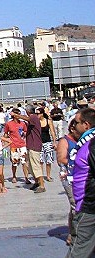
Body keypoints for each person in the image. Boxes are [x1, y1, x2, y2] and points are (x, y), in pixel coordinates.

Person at [67, 108, 95, 258]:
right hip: (87, 204)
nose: (73, 126)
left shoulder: (91, 144)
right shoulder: (87, 143)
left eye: (76, 123)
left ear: (86, 125)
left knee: (79, 252)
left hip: (89, 207)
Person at [57, 119, 80, 247]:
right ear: (72, 128)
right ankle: (73, 235)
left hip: (81, 177)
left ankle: (74, 233)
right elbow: (61, 158)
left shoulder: (83, 140)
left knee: (77, 207)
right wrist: (80, 162)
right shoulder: (64, 141)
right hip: (68, 177)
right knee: (75, 205)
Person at [12, 105, 45, 193]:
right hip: (30, 145)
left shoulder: (33, 117)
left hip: (35, 145)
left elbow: (27, 119)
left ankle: (42, 185)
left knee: (36, 166)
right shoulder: (32, 119)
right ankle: (37, 182)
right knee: (30, 166)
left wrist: (17, 115)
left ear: (28, 111)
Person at [4, 108, 30, 184]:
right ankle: (14, 176)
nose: (19, 115)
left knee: (24, 162)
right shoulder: (8, 124)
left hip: (22, 145)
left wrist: (25, 134)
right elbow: (5, 134)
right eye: (18, 114)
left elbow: (25, 131)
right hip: (13, 145)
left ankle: (26, 177)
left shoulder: (23, 123)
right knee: (14, 162)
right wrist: (4, 143)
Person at [37, 107, 56, 182]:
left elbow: (52, 132)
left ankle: (48, 176)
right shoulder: (37, 122)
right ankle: (41, 176)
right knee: (40, 160)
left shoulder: (48, 121)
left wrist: (54, 141)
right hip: (39, 142)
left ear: (42, 114)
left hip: (47, 141)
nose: (37, 115)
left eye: (38, 113)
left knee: (49, 160)